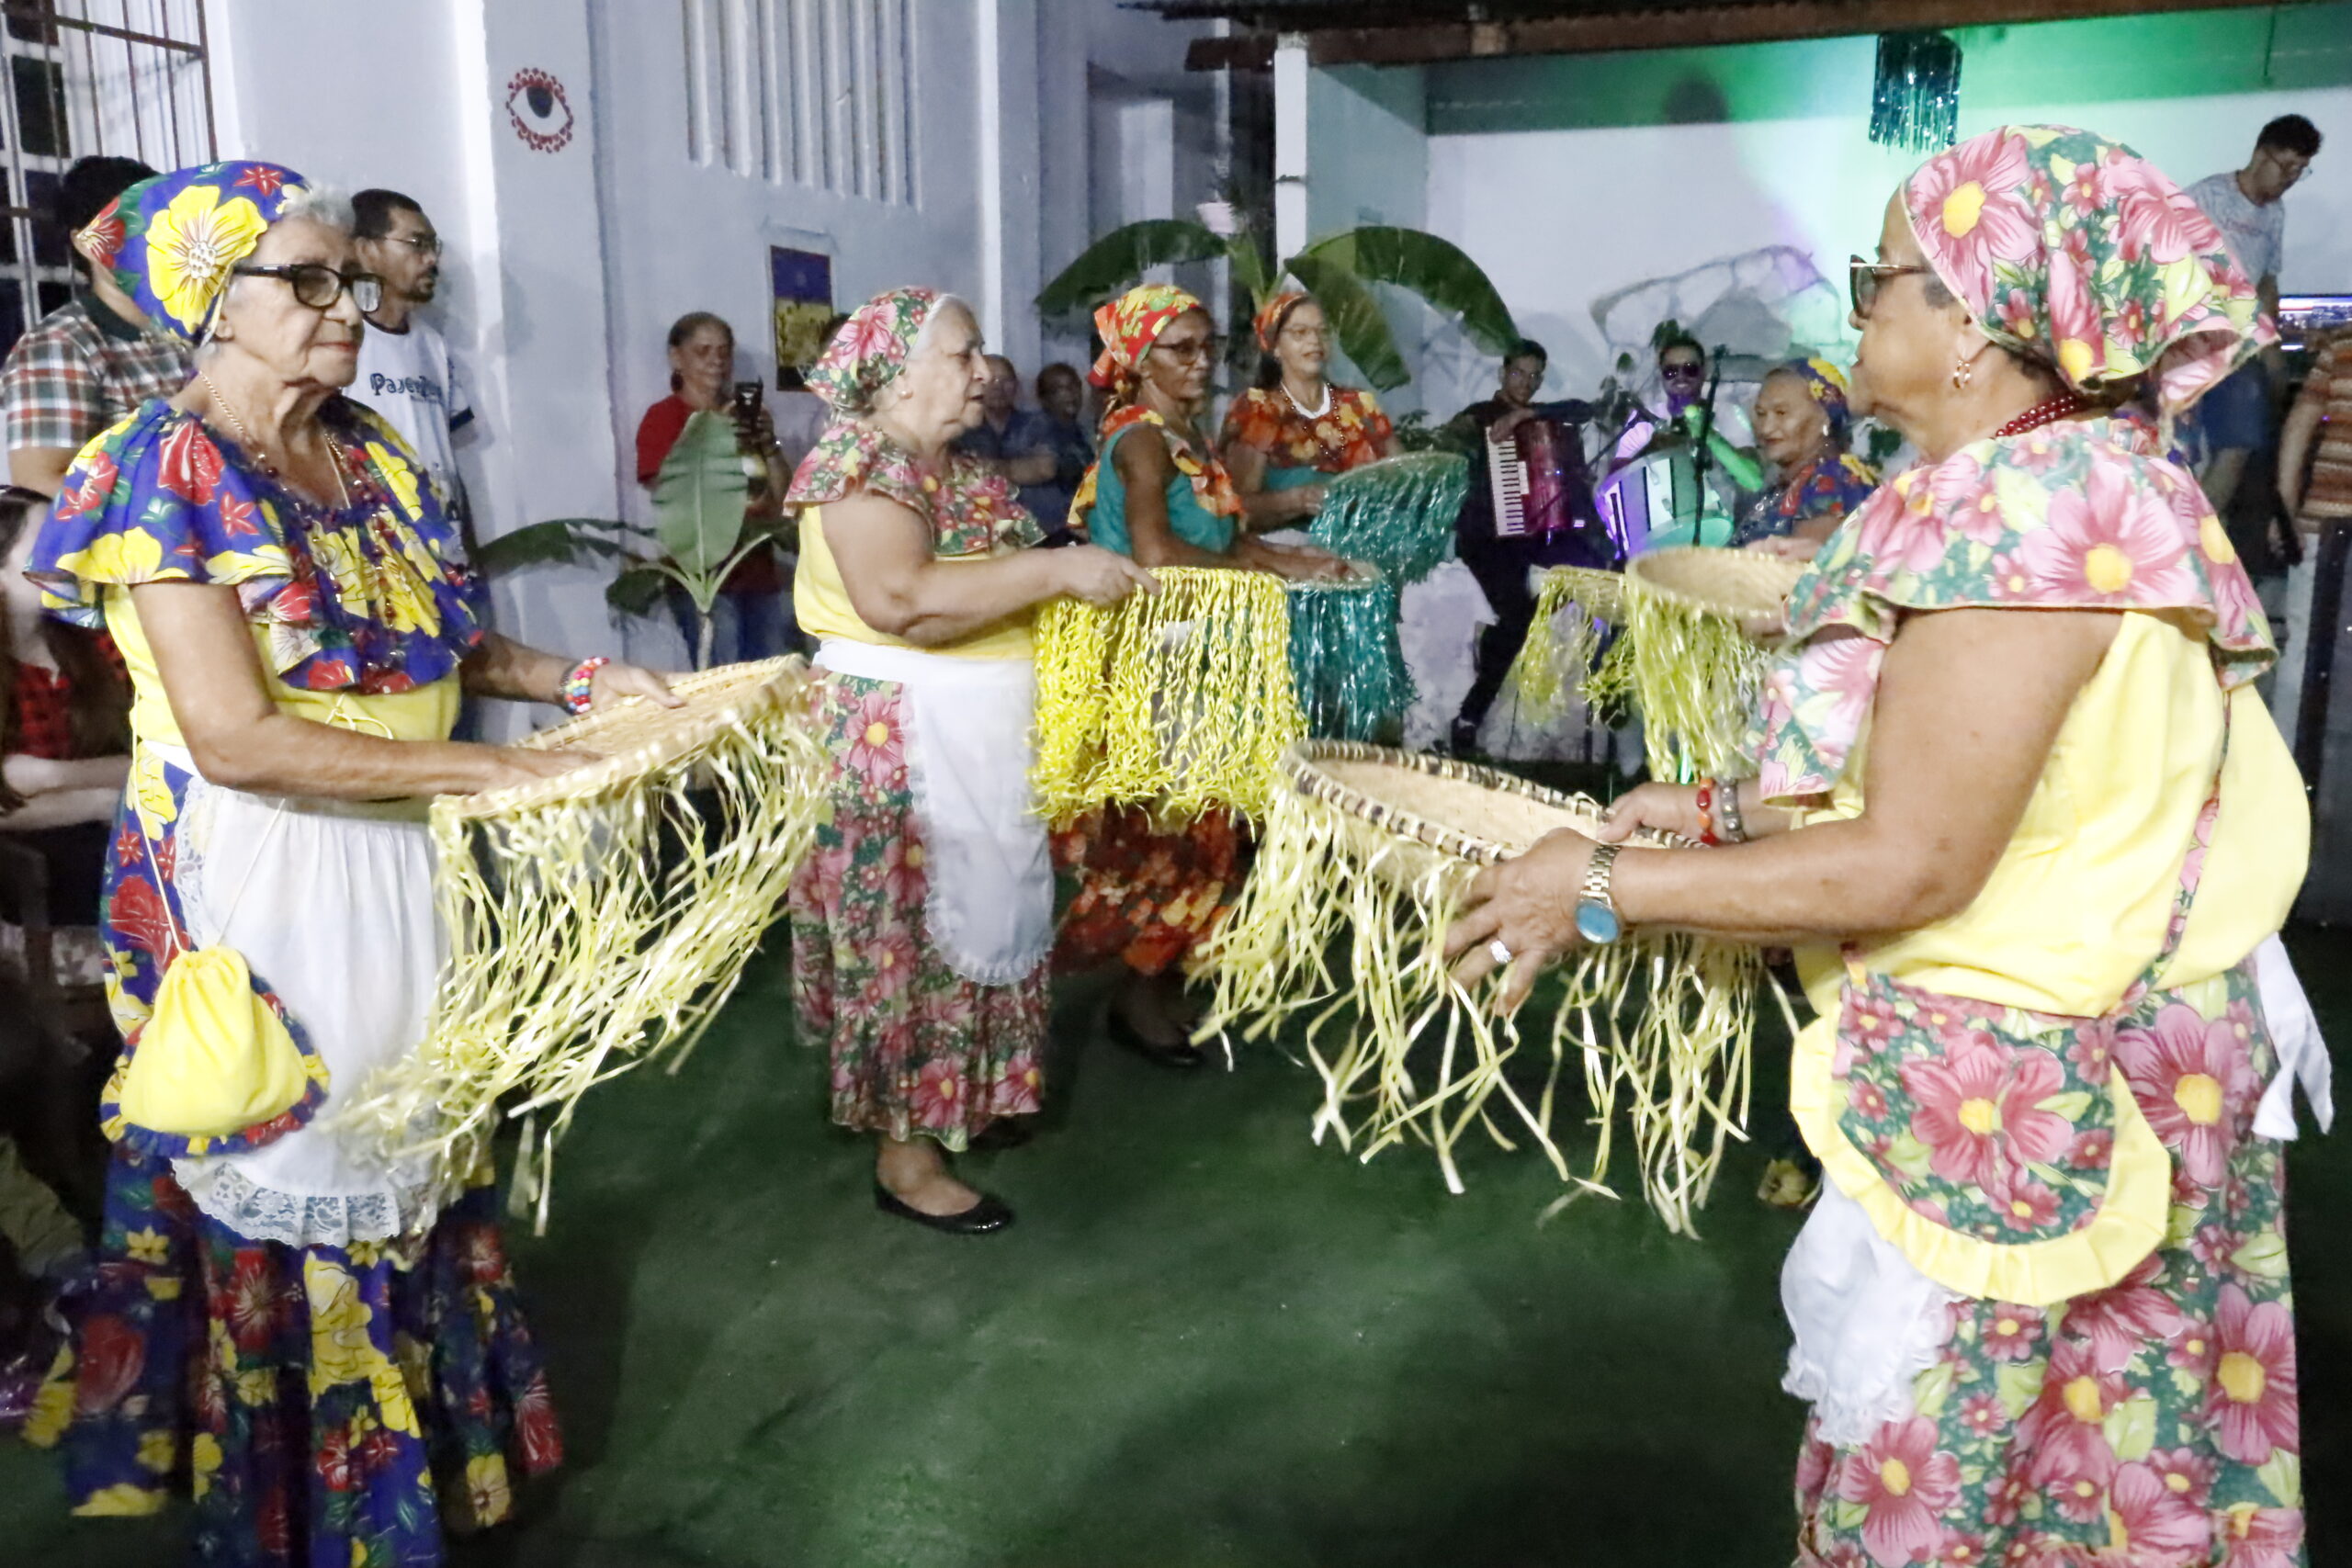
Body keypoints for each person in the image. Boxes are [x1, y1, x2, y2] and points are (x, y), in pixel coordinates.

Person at [1445, 125, 2307, 1562]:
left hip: (2031, 1097)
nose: (1858, 306)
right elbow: (2030, 800)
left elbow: (1918, 864)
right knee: (2085, 1484)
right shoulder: (2085, 482)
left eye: (1882, 275)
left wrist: (1599, 884)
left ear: (1971, 321)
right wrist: (1718, 813)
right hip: (2112, 1052)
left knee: (1961, 1498)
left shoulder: (2018, 520)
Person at [20, 160, 678, 1564]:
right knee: (308, 1144)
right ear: (216, 308)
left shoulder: (370, 449)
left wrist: (580, 682)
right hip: (266, 877)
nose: (348, 304)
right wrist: (497, 770)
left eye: (348, 279)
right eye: (309, 282)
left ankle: (426, 1478)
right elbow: (243, 738)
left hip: (395, 858)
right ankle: (321, 1521)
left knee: (413, 1137)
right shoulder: (165, 468)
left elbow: (442, 642)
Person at [784, 288, 1150, 1234]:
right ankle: (905, 1160)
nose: (982, 369)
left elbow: (990, 586)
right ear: (896, 377)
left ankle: (965, 1101)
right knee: (910, 942)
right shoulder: (860, 464)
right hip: (902, 744)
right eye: (962, 353)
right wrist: (1058, 572)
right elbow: (900, 596)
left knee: (991, 910)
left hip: (975, 735)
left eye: (980, 350)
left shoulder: (953, 468)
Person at [1054, 284, 1344, 1064]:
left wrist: (1303, 563)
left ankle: (1160, 976)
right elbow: (1156, 554)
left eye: (1207, 346)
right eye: (1182, 348)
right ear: (1139, 360)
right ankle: (1136, 996)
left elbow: (1226, 538)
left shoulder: (1185, 436)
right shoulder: (1141, 439)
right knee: (1177, 830)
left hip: (1199, 648)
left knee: (1215, 823)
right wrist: (1267, 578)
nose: (1202, 361)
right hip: (1157, 655)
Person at [1438, 338, 1599, 755]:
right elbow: (1443, 457)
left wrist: (1527, 415)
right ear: (1501, 373)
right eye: (1518, 373)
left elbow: (1586, 409)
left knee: (1600, 568)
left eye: (1534, 376)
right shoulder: (1476, 418)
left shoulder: (1547, 417)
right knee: (1516, 614)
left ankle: (1606, 698)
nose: (1526, 382)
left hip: (1539, 536)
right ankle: (1469, 717)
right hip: (1487, 538)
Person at [0, 156, 189, 498]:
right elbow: (39, 485)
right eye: (130, 226)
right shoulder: (62, 346)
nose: (154, 238)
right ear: (86, 242)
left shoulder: (199, 323)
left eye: (163, 222)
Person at [636, 310, 791, 664]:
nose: (716, 362)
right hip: (707, 578)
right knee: (724, 682)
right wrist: (715, 434)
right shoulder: (665, 417)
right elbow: (670, 491)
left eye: (723, 351)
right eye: (703, 351)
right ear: (677, 357)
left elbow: (783, 499)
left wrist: (768, 444)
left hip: (760, 571)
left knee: (775, 677)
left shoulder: (744, 415)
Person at [2186, 115, 2322, 514]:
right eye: (2287, 166)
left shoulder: (2274, 214)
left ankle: (2200, 540)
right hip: (2193, 339)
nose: (2291, 178)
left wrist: (2271, 343)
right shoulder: (2205, 198)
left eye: (2301, 170)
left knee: (2239, 445)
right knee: (2190, 451)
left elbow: (2266, 282)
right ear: (2261, 154)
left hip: (2241, 346)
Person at [1220, 290, 1396, 531]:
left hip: (1373, 536)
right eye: (1300, 333)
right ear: (1275, 346)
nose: (1314, 340)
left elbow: (1404, 476)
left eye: (1322, 332)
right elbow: (1237, 509)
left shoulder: (1360, 406)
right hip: (1290, 548)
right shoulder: (1259, 410)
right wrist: (1297, 500)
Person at [350, 187, 474, 521]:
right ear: (366, 251)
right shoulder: (340, 341)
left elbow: (446, 460)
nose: (432, 259)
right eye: (417, 244)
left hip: (443, 545)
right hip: (380, 542)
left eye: (433, 246)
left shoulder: (432, 344)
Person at [2275, 326, 2352, 750]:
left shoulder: (2341, 344)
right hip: (2327, 525)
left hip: (2324, 525)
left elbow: (2301, 419)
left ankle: (2285, 771)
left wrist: (2286, 504)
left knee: (2304, 654)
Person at [1728, 357, 1880, 551]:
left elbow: (1802, 574)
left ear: (1825, 417)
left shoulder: (1833, 481)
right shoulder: (1789, 485)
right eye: (1760, 413)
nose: (1765, 429)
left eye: (1781, 413)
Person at [954, 354, 1057, 489]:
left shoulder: (1038, 423)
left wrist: (985, 469)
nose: (998, 387)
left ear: (1016, 385)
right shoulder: (963, 429)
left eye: (1005, 380)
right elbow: (959, 474)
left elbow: (1045, 469)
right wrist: (1020, 468)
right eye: (990, 380)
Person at [1018, 362, 1094, 538]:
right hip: (1054, 532)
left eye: (1073, 386)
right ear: (1044, 398)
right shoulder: (1038, 430)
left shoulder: (1080, 431)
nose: (1069, 394)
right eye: (1058, 389)